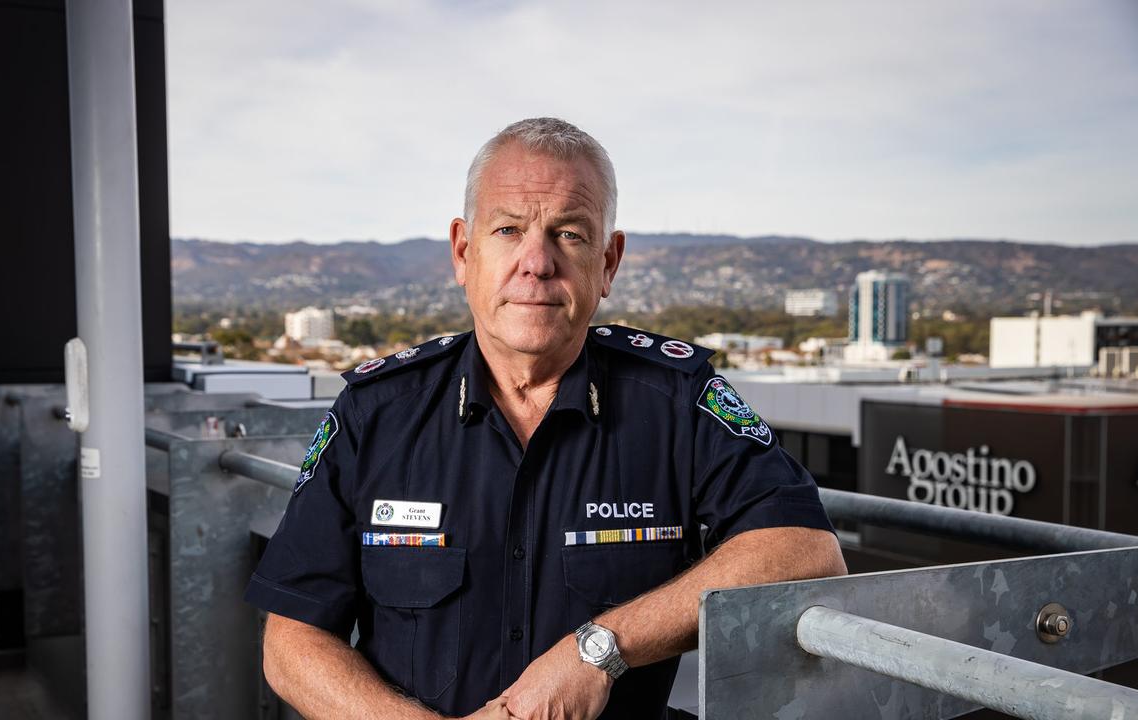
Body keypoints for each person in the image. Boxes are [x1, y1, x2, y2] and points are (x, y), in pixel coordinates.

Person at [245, 117, 847, 720]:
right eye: (508, 229)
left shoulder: (676, 404)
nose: (537, 262)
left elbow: (806, 551)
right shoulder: (374, 415)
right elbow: (291, 641)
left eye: (570, 234)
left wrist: (599, 649)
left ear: (608, 263)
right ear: (463, 251)